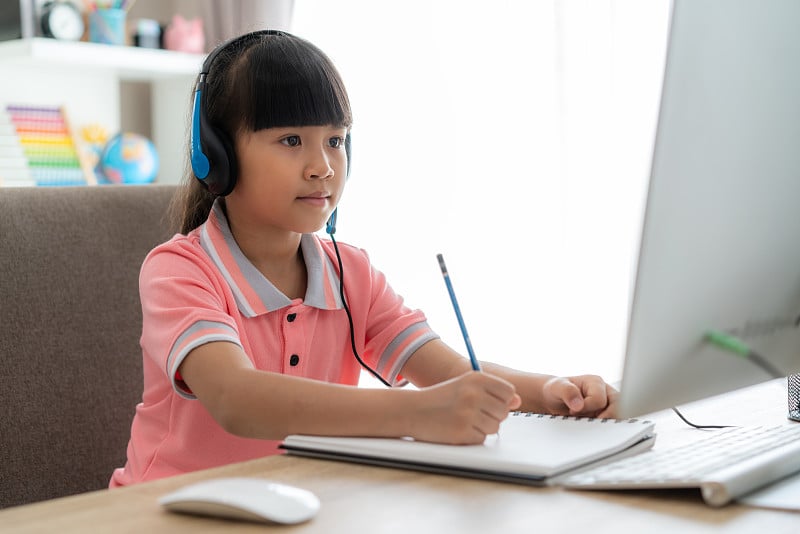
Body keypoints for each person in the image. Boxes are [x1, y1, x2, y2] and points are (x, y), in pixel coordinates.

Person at [110, 29, 618, 488]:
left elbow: (448, 372)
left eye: (335, 140)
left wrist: (551, 394)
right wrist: (415, 413)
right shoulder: (180, 270)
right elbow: (236, 399)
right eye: (292, 140)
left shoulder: (350, 273)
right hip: (165, 509)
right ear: (215, 154)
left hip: (296, 504)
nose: (323, 167)